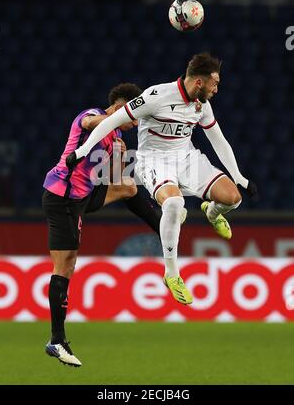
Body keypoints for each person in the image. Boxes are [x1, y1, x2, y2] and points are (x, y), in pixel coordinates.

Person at [67, 52, 258, 307]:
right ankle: (172, 273)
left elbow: (218, 140)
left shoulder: (202, 105)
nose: (216, 89)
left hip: (187, 157)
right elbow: (112, 120)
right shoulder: (155, 96)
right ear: (199, 82)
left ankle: (211, 213)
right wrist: (82, 150)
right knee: (174, 204)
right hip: (154, 160)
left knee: (233, 198)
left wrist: (239, 177)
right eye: (214, 83)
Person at [43, 83, 177, 367]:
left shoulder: (116, 135)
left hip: (84, 196)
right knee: (65, 266)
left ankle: (163, 226)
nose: (134, 123)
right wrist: (114, 120)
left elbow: (115, 180)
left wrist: (118, 156)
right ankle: (56, 340)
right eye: (132, 115)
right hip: (62, 196)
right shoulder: (91, 116)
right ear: (119, 108)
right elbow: (91, 122)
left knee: (128, 187)